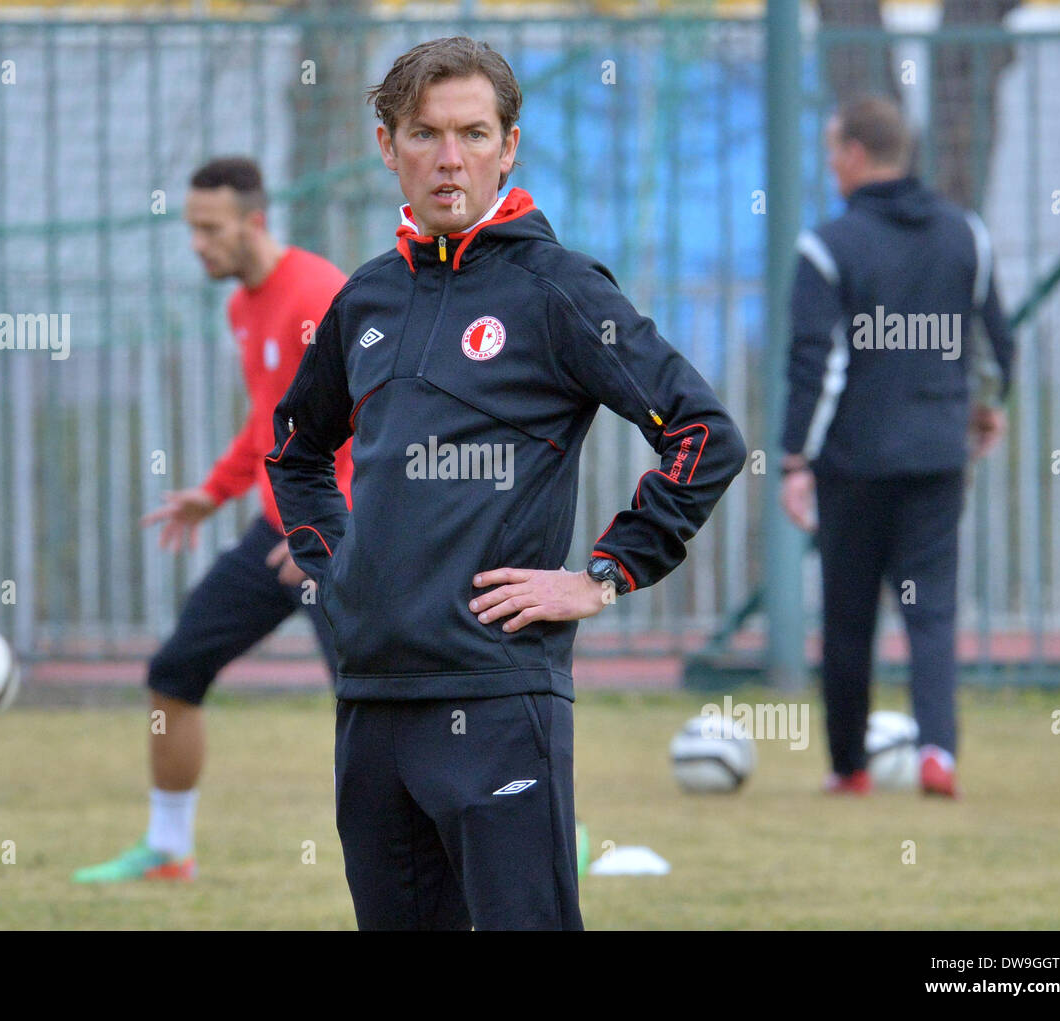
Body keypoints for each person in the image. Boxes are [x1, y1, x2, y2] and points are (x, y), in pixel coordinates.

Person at [265, 36, 745, 929]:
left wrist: (602, 575)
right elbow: (295, 448)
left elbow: (703, 434)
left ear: (509, 146)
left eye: (474, 135)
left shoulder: (557, 291)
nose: (450, 160)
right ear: (387, 145)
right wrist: (337, 573)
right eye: (425, 135)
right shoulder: (365, 300)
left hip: (496, 695)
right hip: (372, 699)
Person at [73, 157, 351, 883]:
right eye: (191, 228)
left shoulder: (318, 295)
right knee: (175, 671)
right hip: (275, 533)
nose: (196, 243)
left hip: (334, 538)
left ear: (253, 222)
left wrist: (328, 527)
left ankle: (540, 833)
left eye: (208, 228)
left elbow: (367, 422)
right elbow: (271, 422)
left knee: (396, 699)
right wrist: (215, 491)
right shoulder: (241, 305)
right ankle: (169, 849)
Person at [779, 96, 1014, 800]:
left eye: (831, 149)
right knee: (932, 610)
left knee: (849, 616)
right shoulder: (966, 234)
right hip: (940, 455)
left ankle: (849, 766)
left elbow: (816, 365)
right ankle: (937, 752)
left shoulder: (827, 246)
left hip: (854, 461)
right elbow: (998, 346)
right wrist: (987, 410)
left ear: (854, 154)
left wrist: (794, 459)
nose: (828, 163)